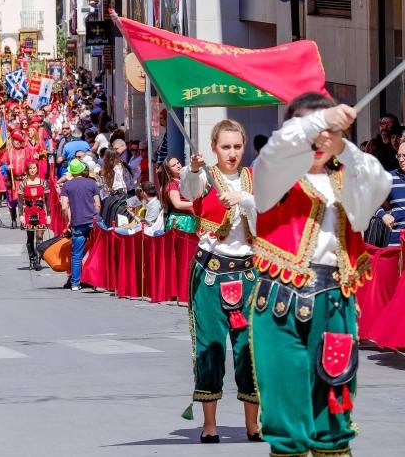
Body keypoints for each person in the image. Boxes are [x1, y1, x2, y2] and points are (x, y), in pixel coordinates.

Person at [250, 94, 389, 457]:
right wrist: (321, 118)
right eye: (309, 131)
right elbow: (280, 147)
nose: (317, 142)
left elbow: (375, 190)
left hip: (335, 304)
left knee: (333, 421)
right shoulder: (274, 174)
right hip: (279, 304)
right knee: (286, 420)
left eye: (326, 133)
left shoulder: (348, 178)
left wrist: (344, 146)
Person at [180, 120, 260, 444]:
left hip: (248, 274)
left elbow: (266, 216)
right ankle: (209, 424)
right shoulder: (205, 176)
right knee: (210, 348)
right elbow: (190, 190)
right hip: (211, 275)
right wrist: (194, 169)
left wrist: (243, 199)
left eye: (237, 147)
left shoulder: (253, 181)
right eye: (225, 147)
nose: (232, 153)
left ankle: (253, 424)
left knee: (250, 350)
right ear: (214, 147)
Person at [59, 159, 100, 290]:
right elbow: (97, 204)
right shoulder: (92, 183)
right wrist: (96, 216)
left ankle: (75, 283)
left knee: (77, 254)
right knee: (96, 251)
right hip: (93, 221)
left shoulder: (67, 186)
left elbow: (64, 207)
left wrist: (68, 221)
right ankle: (96, 280)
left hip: (78, 222)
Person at [19, 161, 49, 270]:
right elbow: (20, 201)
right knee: (30, 238)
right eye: (30, 168)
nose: (32, 170)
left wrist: (48, 215)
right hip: (28, 212)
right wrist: (21, 215)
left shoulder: (43, 182)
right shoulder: (23, 184)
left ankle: (38, 260)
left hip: (40, 212)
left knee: (39, 236)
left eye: (34, 168)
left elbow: (47, 200)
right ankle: (31, 259)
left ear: (37, 169)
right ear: (28, 170)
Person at [375, 139, 405, 245]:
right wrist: (383, 215)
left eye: (404, 156)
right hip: (397, 243)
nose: (401, 159)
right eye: (399, 155)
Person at [156, 157, 197, 234]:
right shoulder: (172, 184)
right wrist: (196, 204)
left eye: (178, 163)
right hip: (182, 220)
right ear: (169, 170)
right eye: (174, 165)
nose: (178, 166)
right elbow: (177, 204)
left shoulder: (183, 181)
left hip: (190, 219)